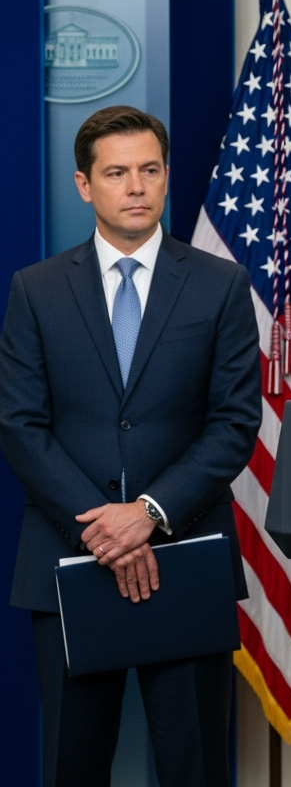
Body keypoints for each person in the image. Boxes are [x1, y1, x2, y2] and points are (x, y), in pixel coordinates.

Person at [0, 106, 262, 787]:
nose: (136, 186)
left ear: (167, 176)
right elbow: (21, 425)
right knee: (73, 765)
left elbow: (234, 421)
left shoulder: (220, 284)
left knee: (194, 766)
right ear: (86, 185)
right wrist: (103, 527)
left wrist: (146, 512)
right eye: (116, 173)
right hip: (67, 560)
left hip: (186, 559)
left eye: (149, 170)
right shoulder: (36, 290)